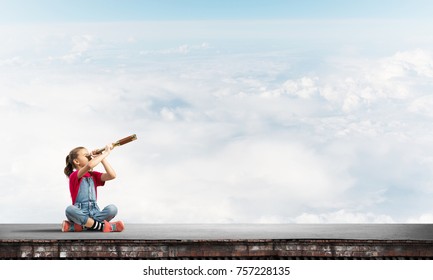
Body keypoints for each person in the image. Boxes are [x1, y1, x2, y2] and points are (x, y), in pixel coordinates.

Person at [62, 144, 124, 232]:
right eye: (85, 155)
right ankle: (102, 227)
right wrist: (106, 153)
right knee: (70, 209)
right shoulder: (74, 175)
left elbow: (112, 175)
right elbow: (90, 166)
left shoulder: (93, 175)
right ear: (76, 161)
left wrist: (102, 158)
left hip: (95, 212)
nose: (89, 155)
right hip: (80, 213)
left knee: (112, 209)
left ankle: (81, 226)